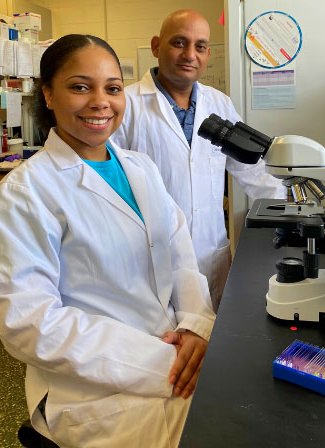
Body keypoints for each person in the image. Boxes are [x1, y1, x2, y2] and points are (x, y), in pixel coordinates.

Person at [0, 34, 215, 448]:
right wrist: (166, 363)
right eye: (80, 87)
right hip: (94, 392)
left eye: (112, 88)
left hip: (175, 356)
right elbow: (28, 323)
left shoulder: (141, 169)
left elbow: (180, 253)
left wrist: (195, 326)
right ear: (48, 94)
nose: (100, 101)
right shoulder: (25, 193)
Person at [111, 9, 285, 311]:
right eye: (179, 42)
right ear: (156, 46)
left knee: (212, 344)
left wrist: (290, 208)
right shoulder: (127, 106)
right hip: (151, 257)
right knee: (165, 346)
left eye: (200, 46)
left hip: (210, 253)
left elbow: (251, 169)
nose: (190, 54)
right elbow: (109, 186)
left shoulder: (219, 103)